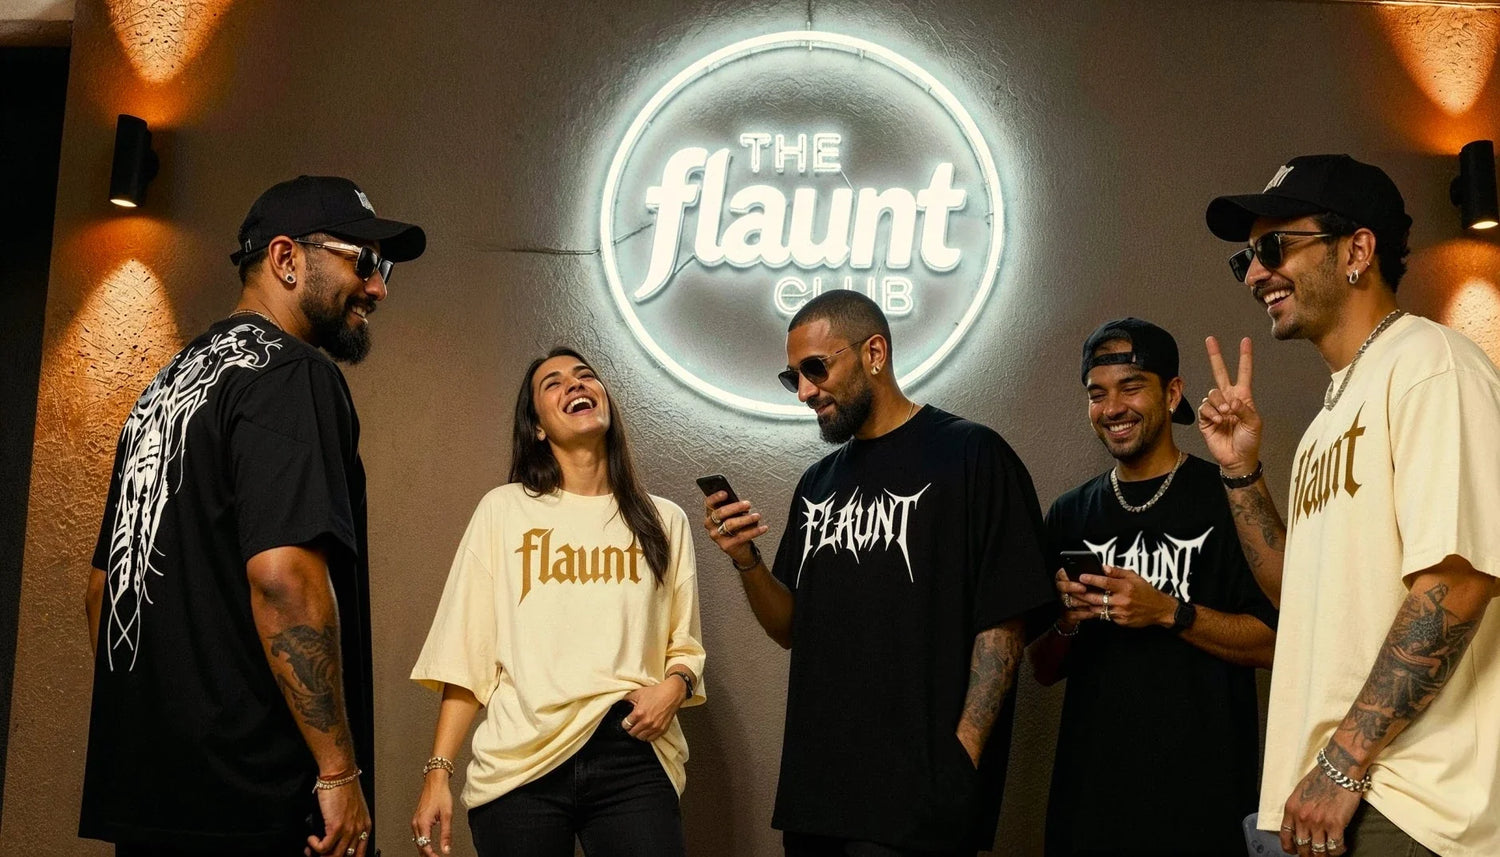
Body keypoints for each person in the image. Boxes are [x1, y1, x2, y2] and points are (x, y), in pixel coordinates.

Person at [80, 175, 426, 857]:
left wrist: (171, 719)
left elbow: (101, 591)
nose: (379, 287)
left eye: (382, 268)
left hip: (153, 801)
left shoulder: (164, 389)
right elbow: (283, 577)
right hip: (258, 809)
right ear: (286, 258)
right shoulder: (292, 374)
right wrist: (337, 770)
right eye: (362, 261)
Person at [1202, 154, 1500, 857]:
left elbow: (1457, 582)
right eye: (1246, 257)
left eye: (1274, 248)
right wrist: (1243, 471)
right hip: (1323, 806)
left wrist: (1343, 761)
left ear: (1358, 250)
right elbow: (1292, 591)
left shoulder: (1433, 365)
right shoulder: (1322, 425)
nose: (1253, 274)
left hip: (1403, 804)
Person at [704, 290, 1055, 857]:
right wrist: (746, 561)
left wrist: (963, 753)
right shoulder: (817, 484)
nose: (805, 392)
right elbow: (790, 627)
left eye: (816, 368)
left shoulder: (972, 455)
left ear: (874, 353)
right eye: (791, 377)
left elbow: (1004, 621)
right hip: (818, 794)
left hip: (920, 796)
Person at [409, 347, 705, 857]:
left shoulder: (665, 520)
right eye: (553, 383)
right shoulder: (503, 511)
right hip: (520, 762)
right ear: (538, 427)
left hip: (630, 752)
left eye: (585, 376)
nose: (575, 384)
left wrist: (674, 687)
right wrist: (438, 773)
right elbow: (466, 652)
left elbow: (685, 643)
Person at [1029, 318, 1277, 857]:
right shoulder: (1070, 514)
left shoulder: (1226, 498)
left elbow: (1275, 644)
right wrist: (1066, 624)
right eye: (1097, 394)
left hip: (1203, 803)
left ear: (1172, 393)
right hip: (1089, 806)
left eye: (1131, 387)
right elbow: (1042, 669)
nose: (1112, 407)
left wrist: (1168, 612)